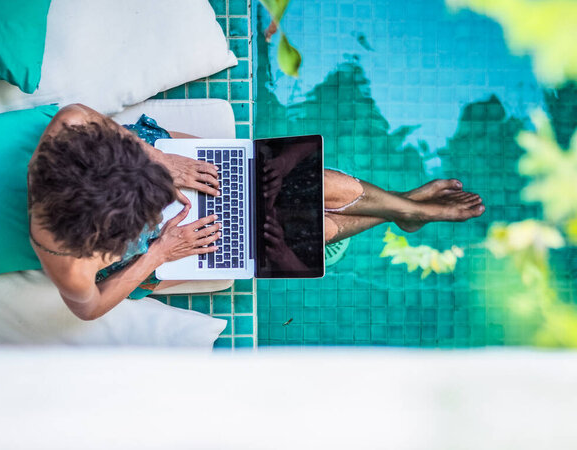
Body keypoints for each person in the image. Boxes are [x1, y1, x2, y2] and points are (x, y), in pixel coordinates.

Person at [28, 104, 484, 321]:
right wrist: (160, 251)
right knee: (308, 228)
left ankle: (406, 209)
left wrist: (161, 161)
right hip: (160, 250)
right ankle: (404, 210)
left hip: (146, 164)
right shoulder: (70, 261)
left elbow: (75, 113)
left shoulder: (68, 136)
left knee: (306, 184)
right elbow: (87, 307)